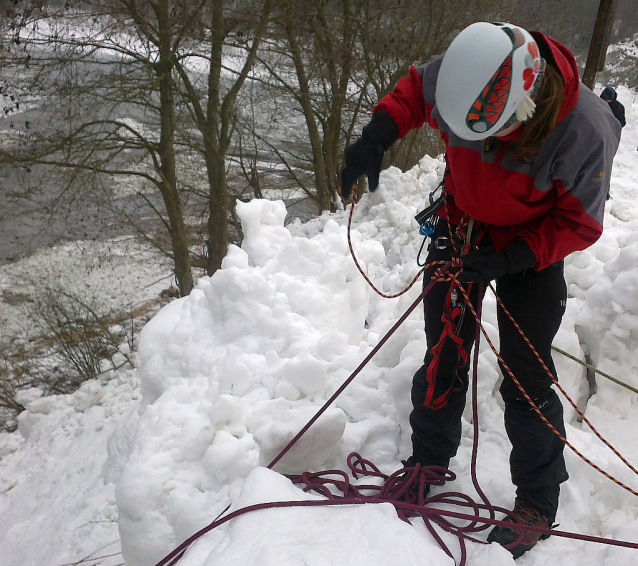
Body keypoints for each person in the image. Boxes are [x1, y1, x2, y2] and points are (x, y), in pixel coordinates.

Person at [340, 22, 622, 558]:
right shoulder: (473, 69)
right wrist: (376, 135)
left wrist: (515, 256)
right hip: (463, 221)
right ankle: (428, 458)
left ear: (523, 110)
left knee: (525, 372)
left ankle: (537, 500)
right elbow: (416, 89)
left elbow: (581, 222)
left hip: (532, 248)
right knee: (443, 348)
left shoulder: (584, 130)